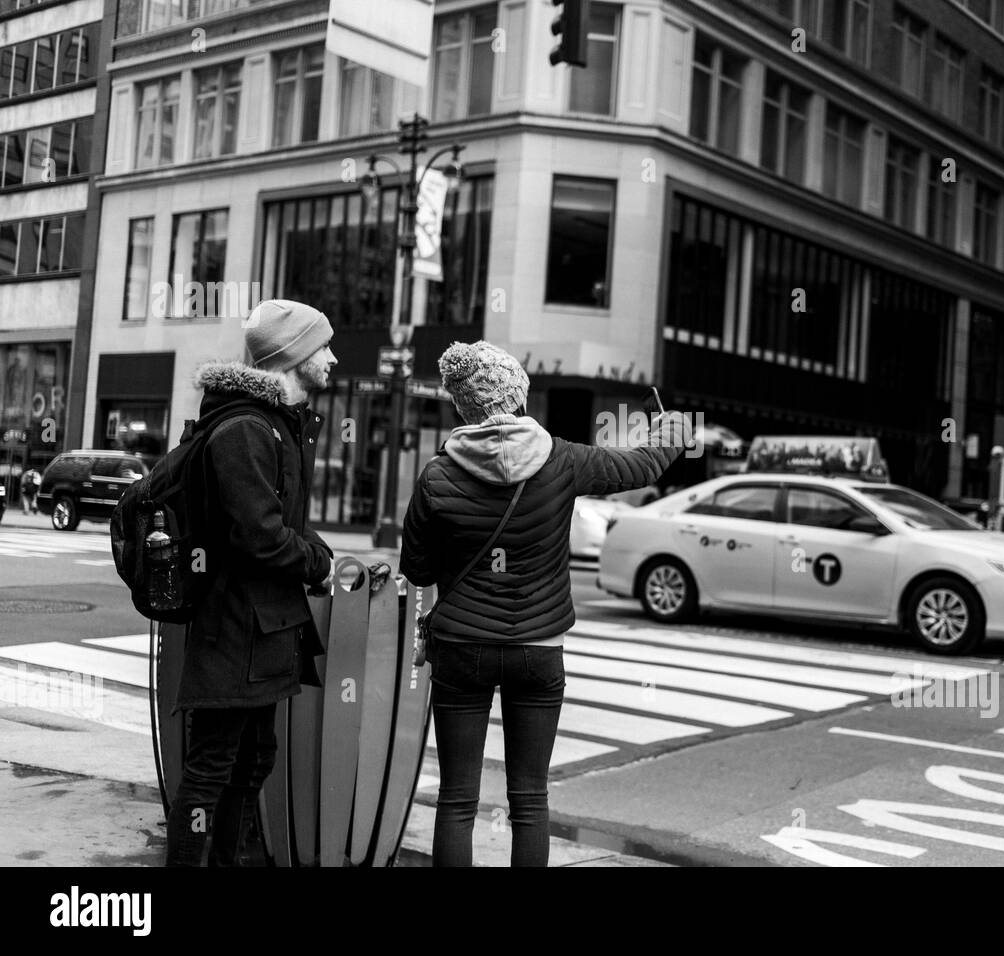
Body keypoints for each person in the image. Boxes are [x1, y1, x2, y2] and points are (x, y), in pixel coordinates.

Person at [401, 341, 687, 867]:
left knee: (457, 798)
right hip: (538, 649)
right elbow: (644, 467)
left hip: (461, 649)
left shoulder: (437, 475)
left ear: (464, 407)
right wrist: (670, 427)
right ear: (517, 397)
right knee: (530, 799)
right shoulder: (563, 460)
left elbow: (416, 570)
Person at [165, 299, 338, 867]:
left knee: (251, 760)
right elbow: (260, 537)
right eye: (323, 347)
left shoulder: (278, 425)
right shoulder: (244, 429)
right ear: (293, 355)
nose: (333, 359)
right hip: (233, 627)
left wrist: (309, 554)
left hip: (267, 627)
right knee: (211, 767)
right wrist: (318, 561)